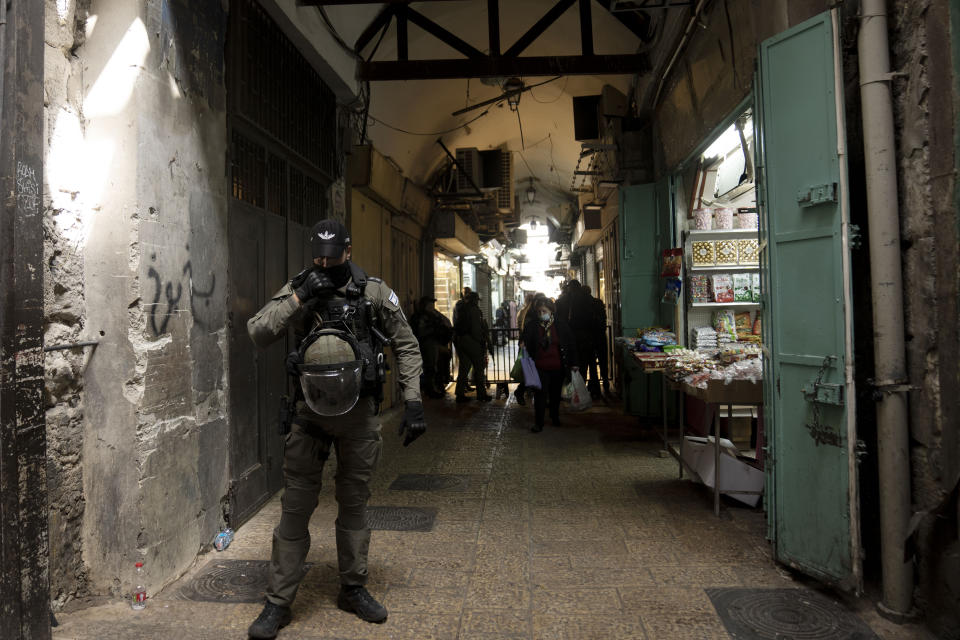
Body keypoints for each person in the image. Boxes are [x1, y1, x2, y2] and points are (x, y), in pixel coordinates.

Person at [245, 219, 426, 639]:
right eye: (318, 257)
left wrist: (413, 399)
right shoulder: (302, 286)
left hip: (358, 415)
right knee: (295, 508)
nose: (324, 264)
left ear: (348, 251)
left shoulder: (373, 292)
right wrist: (300, 296)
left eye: (332, 256)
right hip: (309, 416)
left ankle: (353, 588)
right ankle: (278, 602)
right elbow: (258, 330)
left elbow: (406, 342)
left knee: (355, 501)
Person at [521, 298, 576, 432]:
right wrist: (522, 344)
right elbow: (524, 340)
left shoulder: (561, 325)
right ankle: (538, 423)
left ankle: (554, 415)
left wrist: (574, 363)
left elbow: (571, 344)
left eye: (544, 311)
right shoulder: (532, 325)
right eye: (539, 311)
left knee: (555, 394)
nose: (541, 314)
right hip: (539, 367)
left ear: (551, 311)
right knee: (540, 395)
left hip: (558, 367)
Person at [453, 290, 492, 402]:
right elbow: (475, 330)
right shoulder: (474, 310)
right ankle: (481, 394)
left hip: (461, 341)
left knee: (463, 369)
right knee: (479, 368)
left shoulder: (462, 309)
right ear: (475, 300)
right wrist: (481, 341)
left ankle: (459, 394)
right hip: (471, 342)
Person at [414, 295, 453, 397]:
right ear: (425, 305)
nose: (432, 307)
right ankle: (431, 390)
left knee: (440, 363)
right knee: (431, 368)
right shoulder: (422, 317)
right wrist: (434, 329)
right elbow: (421, 332)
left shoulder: (433, 315)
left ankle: (439, 385)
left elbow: (445, 323)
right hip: (428, 344)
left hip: (435, 343)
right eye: (430, 305)